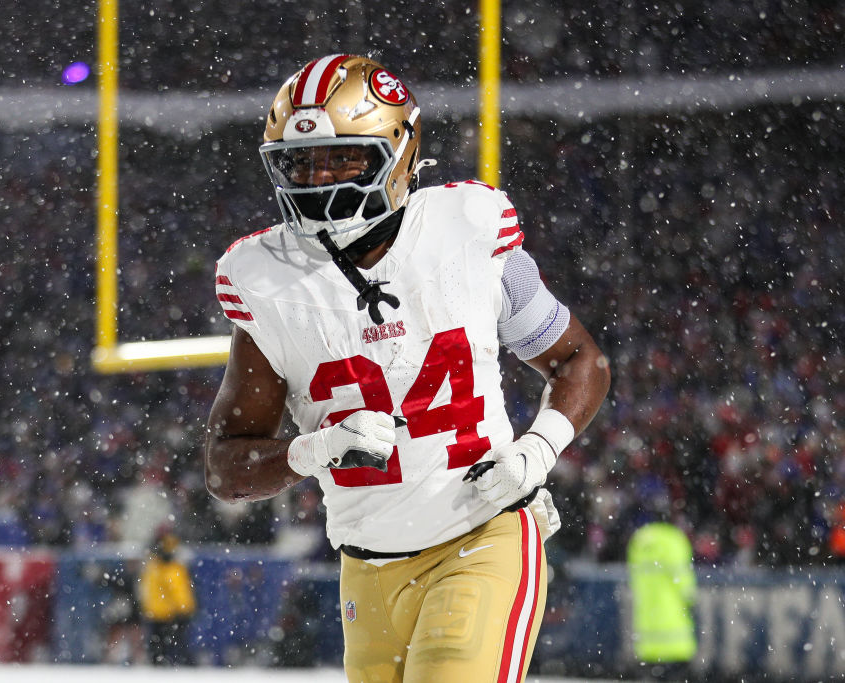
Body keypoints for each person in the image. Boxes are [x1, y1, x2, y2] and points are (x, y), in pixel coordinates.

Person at [205, 54, 610, 683]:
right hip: (366, 564)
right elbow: (226, 467)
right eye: (302, 163)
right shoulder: (263, 280)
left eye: (344, 159)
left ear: (399, 150)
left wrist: (538, 449)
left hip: (481, 536)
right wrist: (310, 451)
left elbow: (579, 359)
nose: (319, 181)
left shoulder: (466, 233)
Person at [627, 521, 697, 681]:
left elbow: (634, 579)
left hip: (647, 640)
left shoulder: (639, 540)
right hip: (676, 639)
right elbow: (684, 584)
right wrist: (691, 600)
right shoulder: (674, 539)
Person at [137, 531, 197, 666]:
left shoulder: (165, 569)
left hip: (167, 614)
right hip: (160, 614)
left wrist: (183, 609)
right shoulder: (159, 568)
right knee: (163, 651)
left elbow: (179, 592)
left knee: (168, 650)